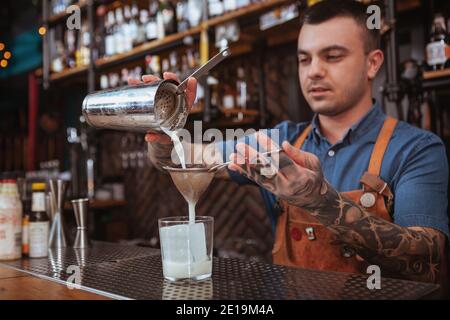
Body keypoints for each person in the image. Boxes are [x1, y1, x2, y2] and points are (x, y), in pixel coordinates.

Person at [129, 0, 448, 286]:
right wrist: (165, 124)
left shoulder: (416, 149)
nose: (314, 72)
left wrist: (318, 200)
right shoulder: (277, 141)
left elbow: (428, 261)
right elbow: (183, 157)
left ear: (373, 63)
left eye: (333, 56)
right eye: (304, 59)